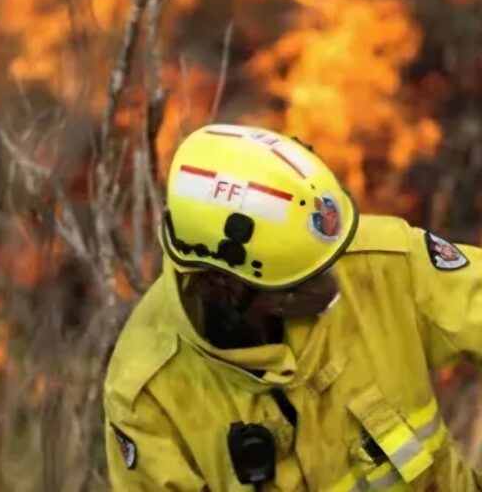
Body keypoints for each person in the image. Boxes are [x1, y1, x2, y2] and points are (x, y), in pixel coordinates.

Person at [103, 124, 482, 491]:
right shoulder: (149, 398)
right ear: (219, 284)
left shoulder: (383, 262)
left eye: (327, 262)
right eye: (300, 280)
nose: (332, 282)